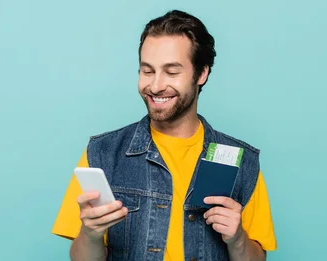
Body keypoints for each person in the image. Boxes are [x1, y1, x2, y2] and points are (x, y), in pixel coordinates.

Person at [51, 9, 277, 261]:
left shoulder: (242, 161)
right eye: (147, 71)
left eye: (171, 72)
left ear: (201, 73)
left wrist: (237, 239)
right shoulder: (102, 153)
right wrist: (91, 234)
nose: (156, 85)